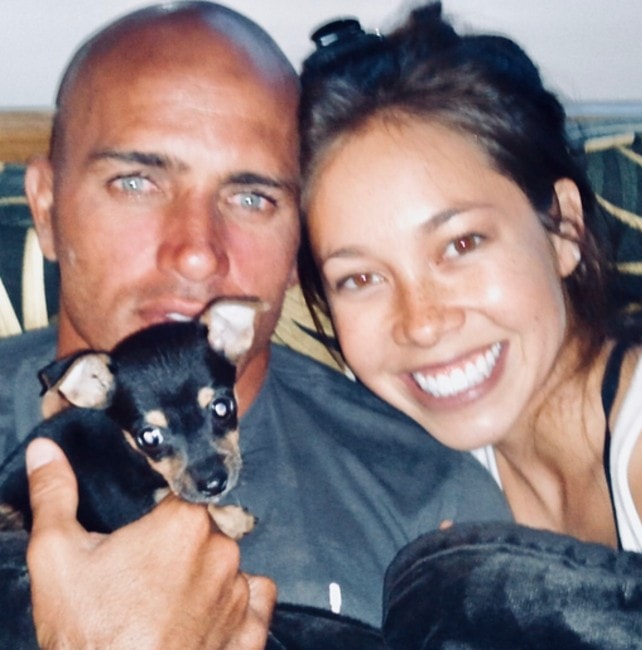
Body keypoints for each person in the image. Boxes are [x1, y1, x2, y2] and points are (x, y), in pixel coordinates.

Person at [0, 1, 510, 647]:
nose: (196, 251)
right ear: (45, 209)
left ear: (298, 240)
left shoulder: (432, 502)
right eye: (136, 181)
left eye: (252, 198)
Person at [298, 0, 642, 567]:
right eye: (361, 278)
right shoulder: (423, 465)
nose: (422, 322)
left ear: (563, 227)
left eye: (461, 245)